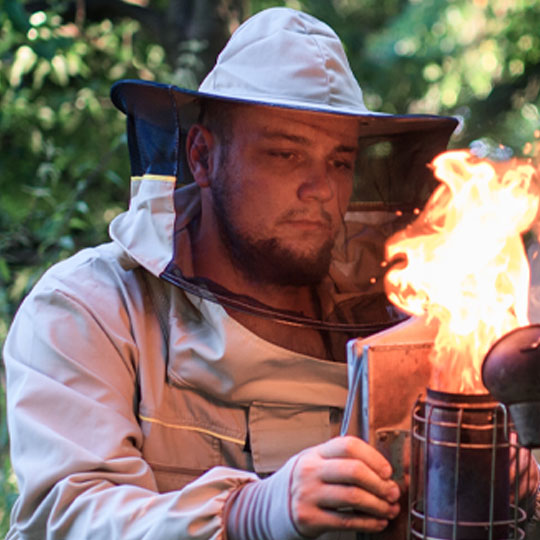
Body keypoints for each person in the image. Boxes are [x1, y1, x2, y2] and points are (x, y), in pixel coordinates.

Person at [5, 7, 534, 540]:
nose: (320, 189)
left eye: (340, 161)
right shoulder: (91, 309)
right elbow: (64, 516)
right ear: (202, 157)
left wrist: (499, 479)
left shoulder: (407, 314)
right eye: (285, 154)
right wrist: (243, 513)